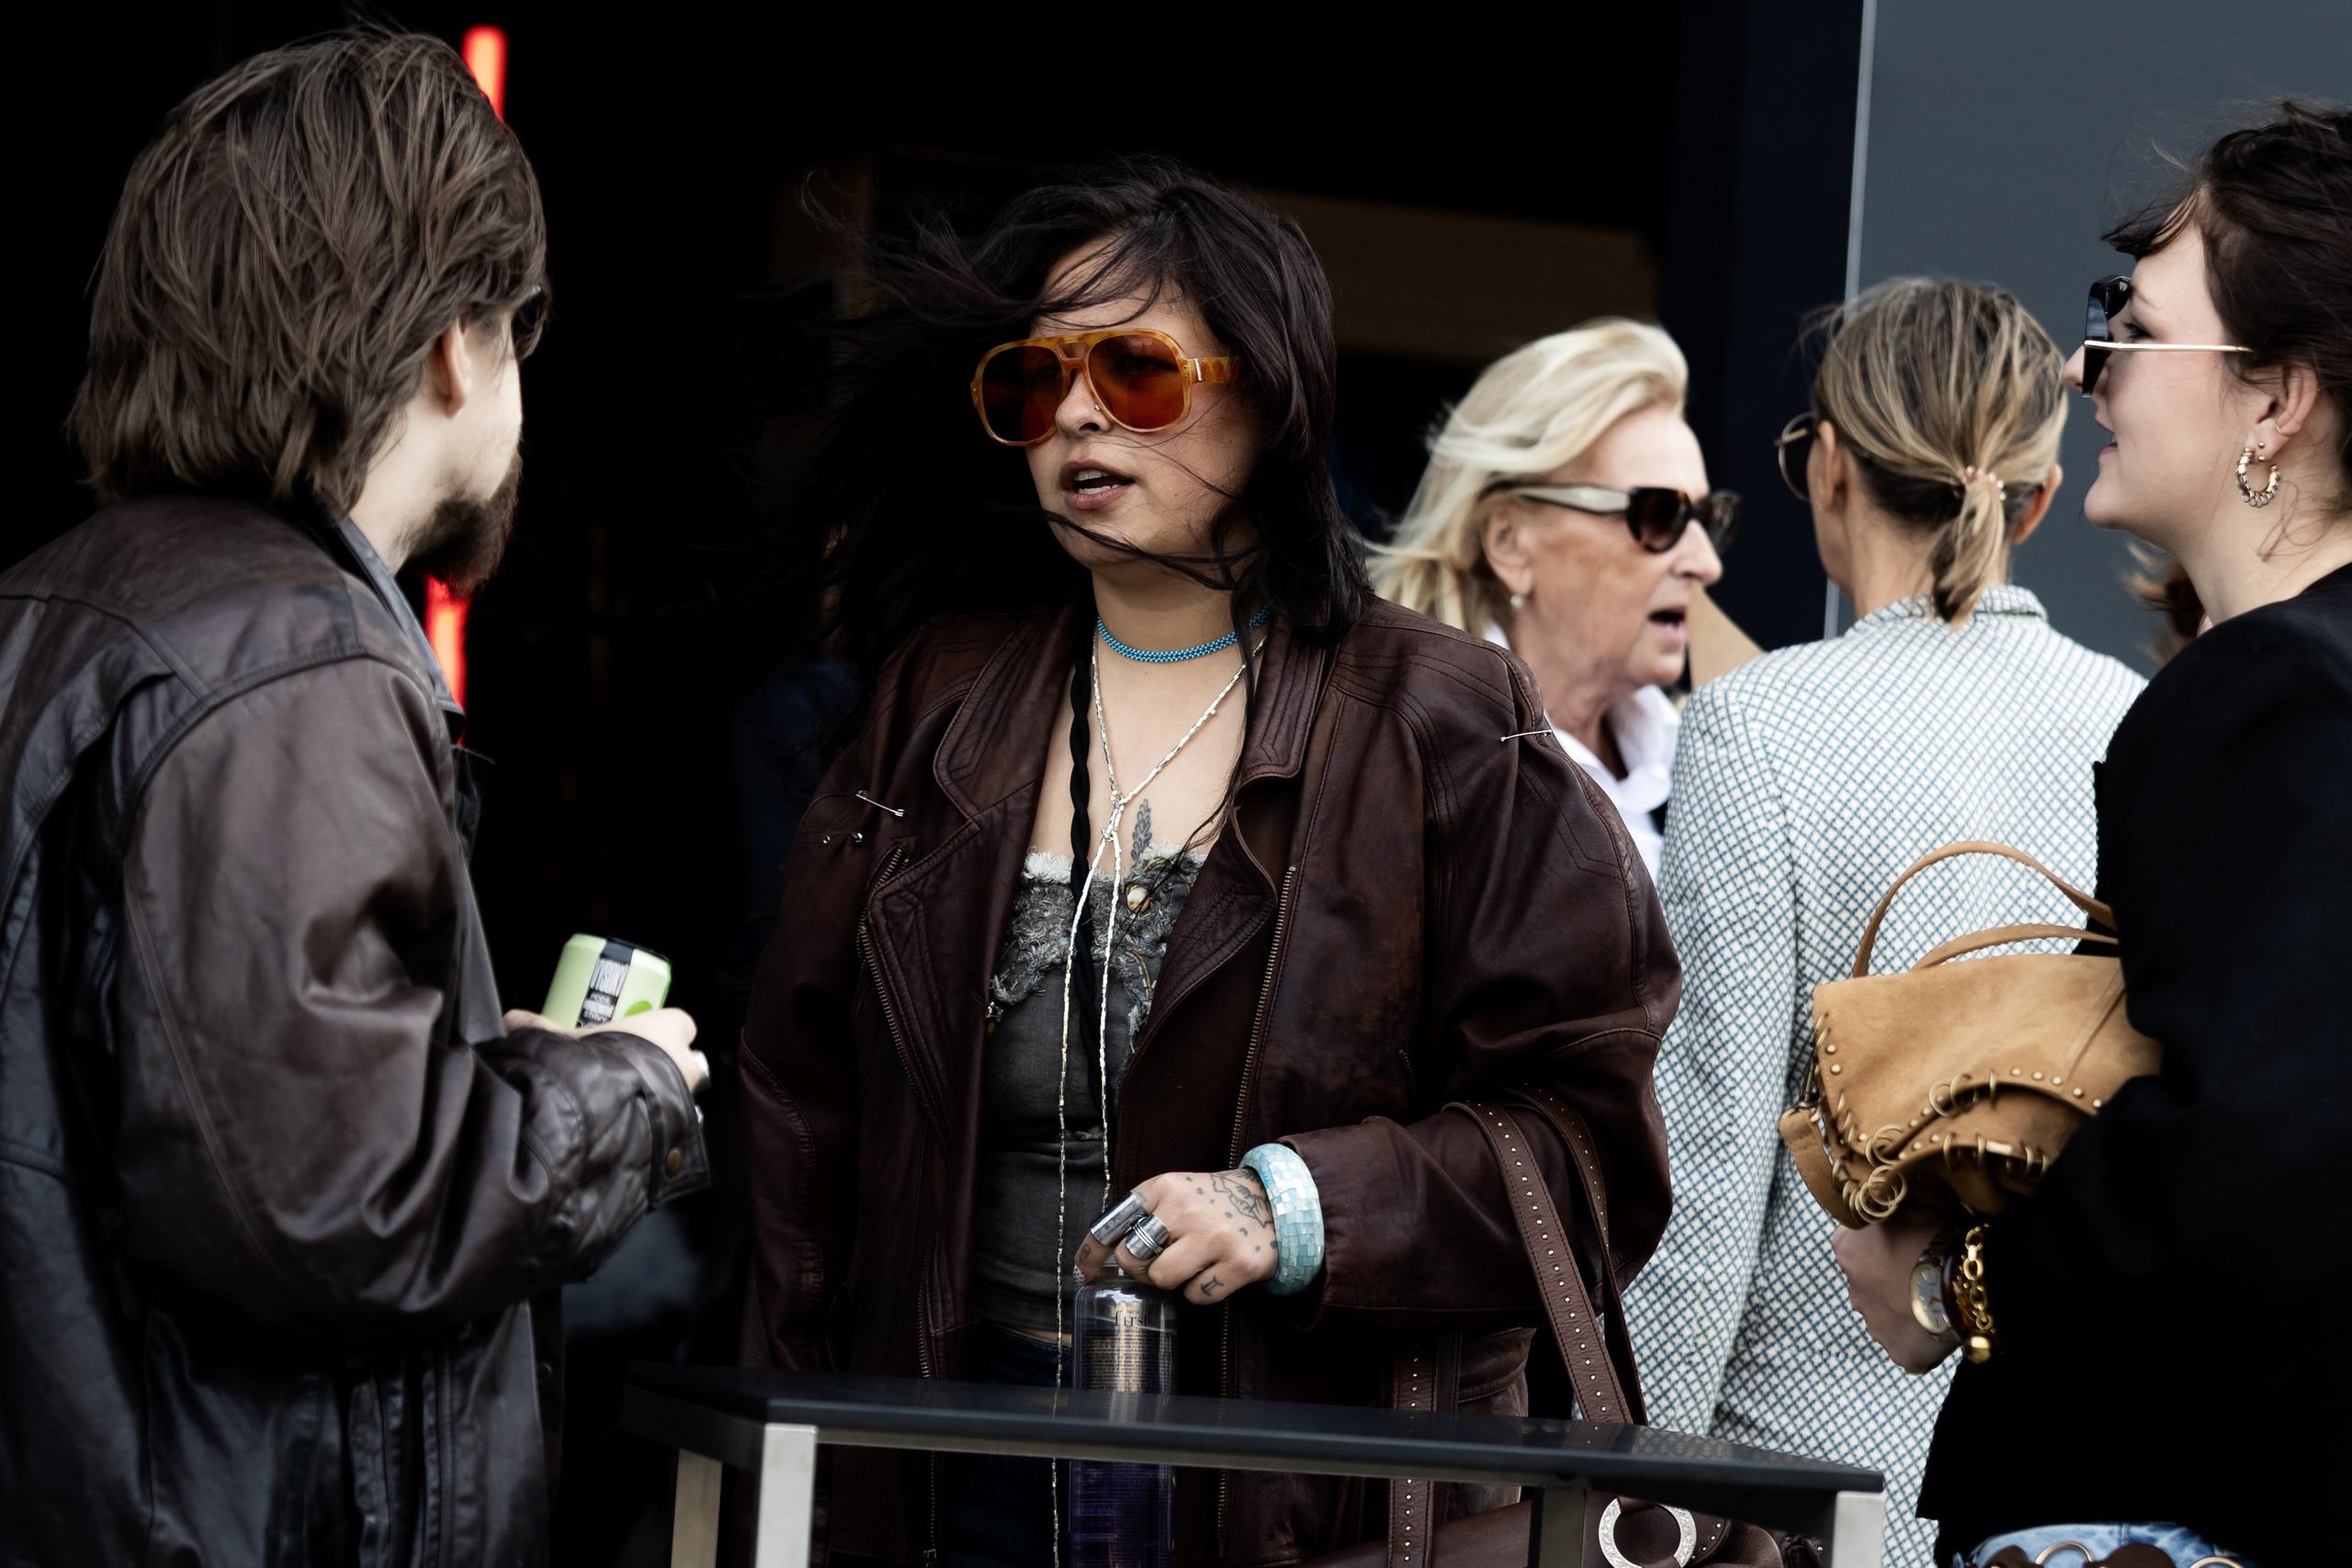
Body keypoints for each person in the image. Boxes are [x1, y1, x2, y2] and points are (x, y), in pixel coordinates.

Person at [736, 159, 1676, 1567]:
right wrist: (796, 1461)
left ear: (1271, 392)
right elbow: (803, 1111)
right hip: (952, 1476)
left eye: (1138, 372)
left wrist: (1293, 1207)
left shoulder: (1439, 716)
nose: (1079, 416)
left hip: (1293, 1496)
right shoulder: (943, 698)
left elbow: (1589, 1140)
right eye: (1033, 383)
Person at [0, 33, 709, 1564]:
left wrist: (466, 1073)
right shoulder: (295, 659)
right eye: (517, 332)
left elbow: (195, 1097)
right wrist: (624, 1091)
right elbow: (338, 1206)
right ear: (459, 342)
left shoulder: (61, 606)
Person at [1836, 104, 2352, 1568]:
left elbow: (2251, 1152)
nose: (2084, 366)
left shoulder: (2272, 688)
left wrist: (1958, 1277)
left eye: (2132, 326)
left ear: (2276, 401)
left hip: (2164, 1511)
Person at [1623, 277, 2144, 1567]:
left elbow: (1708, 1147)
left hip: (1794, 1475)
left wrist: (1639, 1485)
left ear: (1831, 466)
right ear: (2035, 491)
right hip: (2053, 1468)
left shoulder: (1762, 721)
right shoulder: (2135, 721)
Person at [1374, 321, 1734, 879]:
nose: (1705, 563)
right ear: (1511, 544)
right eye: (1659, 514)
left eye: (1708, 519)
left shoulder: (1708, 760)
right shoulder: (1409, 769)